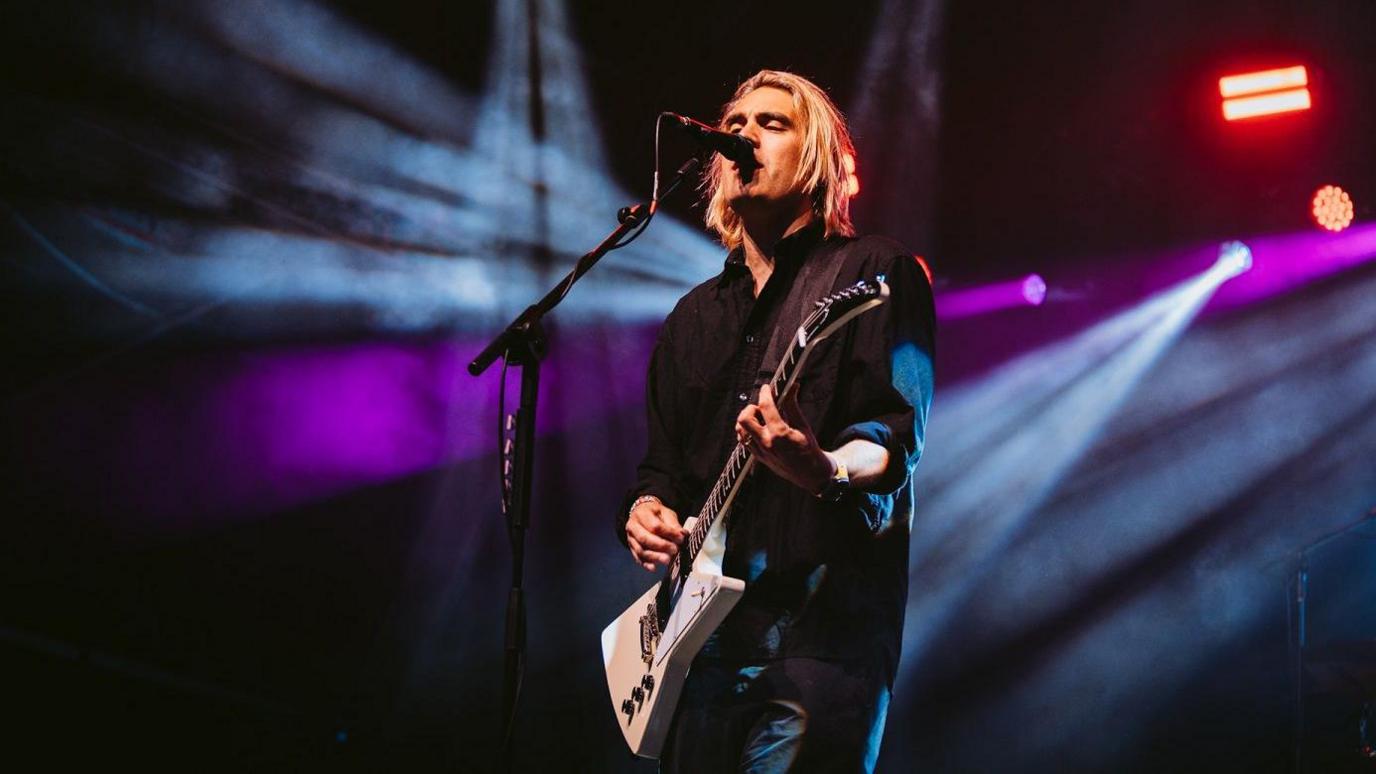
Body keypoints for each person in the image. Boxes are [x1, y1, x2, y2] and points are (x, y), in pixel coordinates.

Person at [616, 69, 935, 772]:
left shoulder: (873, 271)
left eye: (771, 123)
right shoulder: (693, 318)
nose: (744, 137)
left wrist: (822, 469)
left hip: (818, 640)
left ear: (817, 158)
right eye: (737, 125)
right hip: (696, 652)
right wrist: (644, 511)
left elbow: (894, 438)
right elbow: (662, 469)